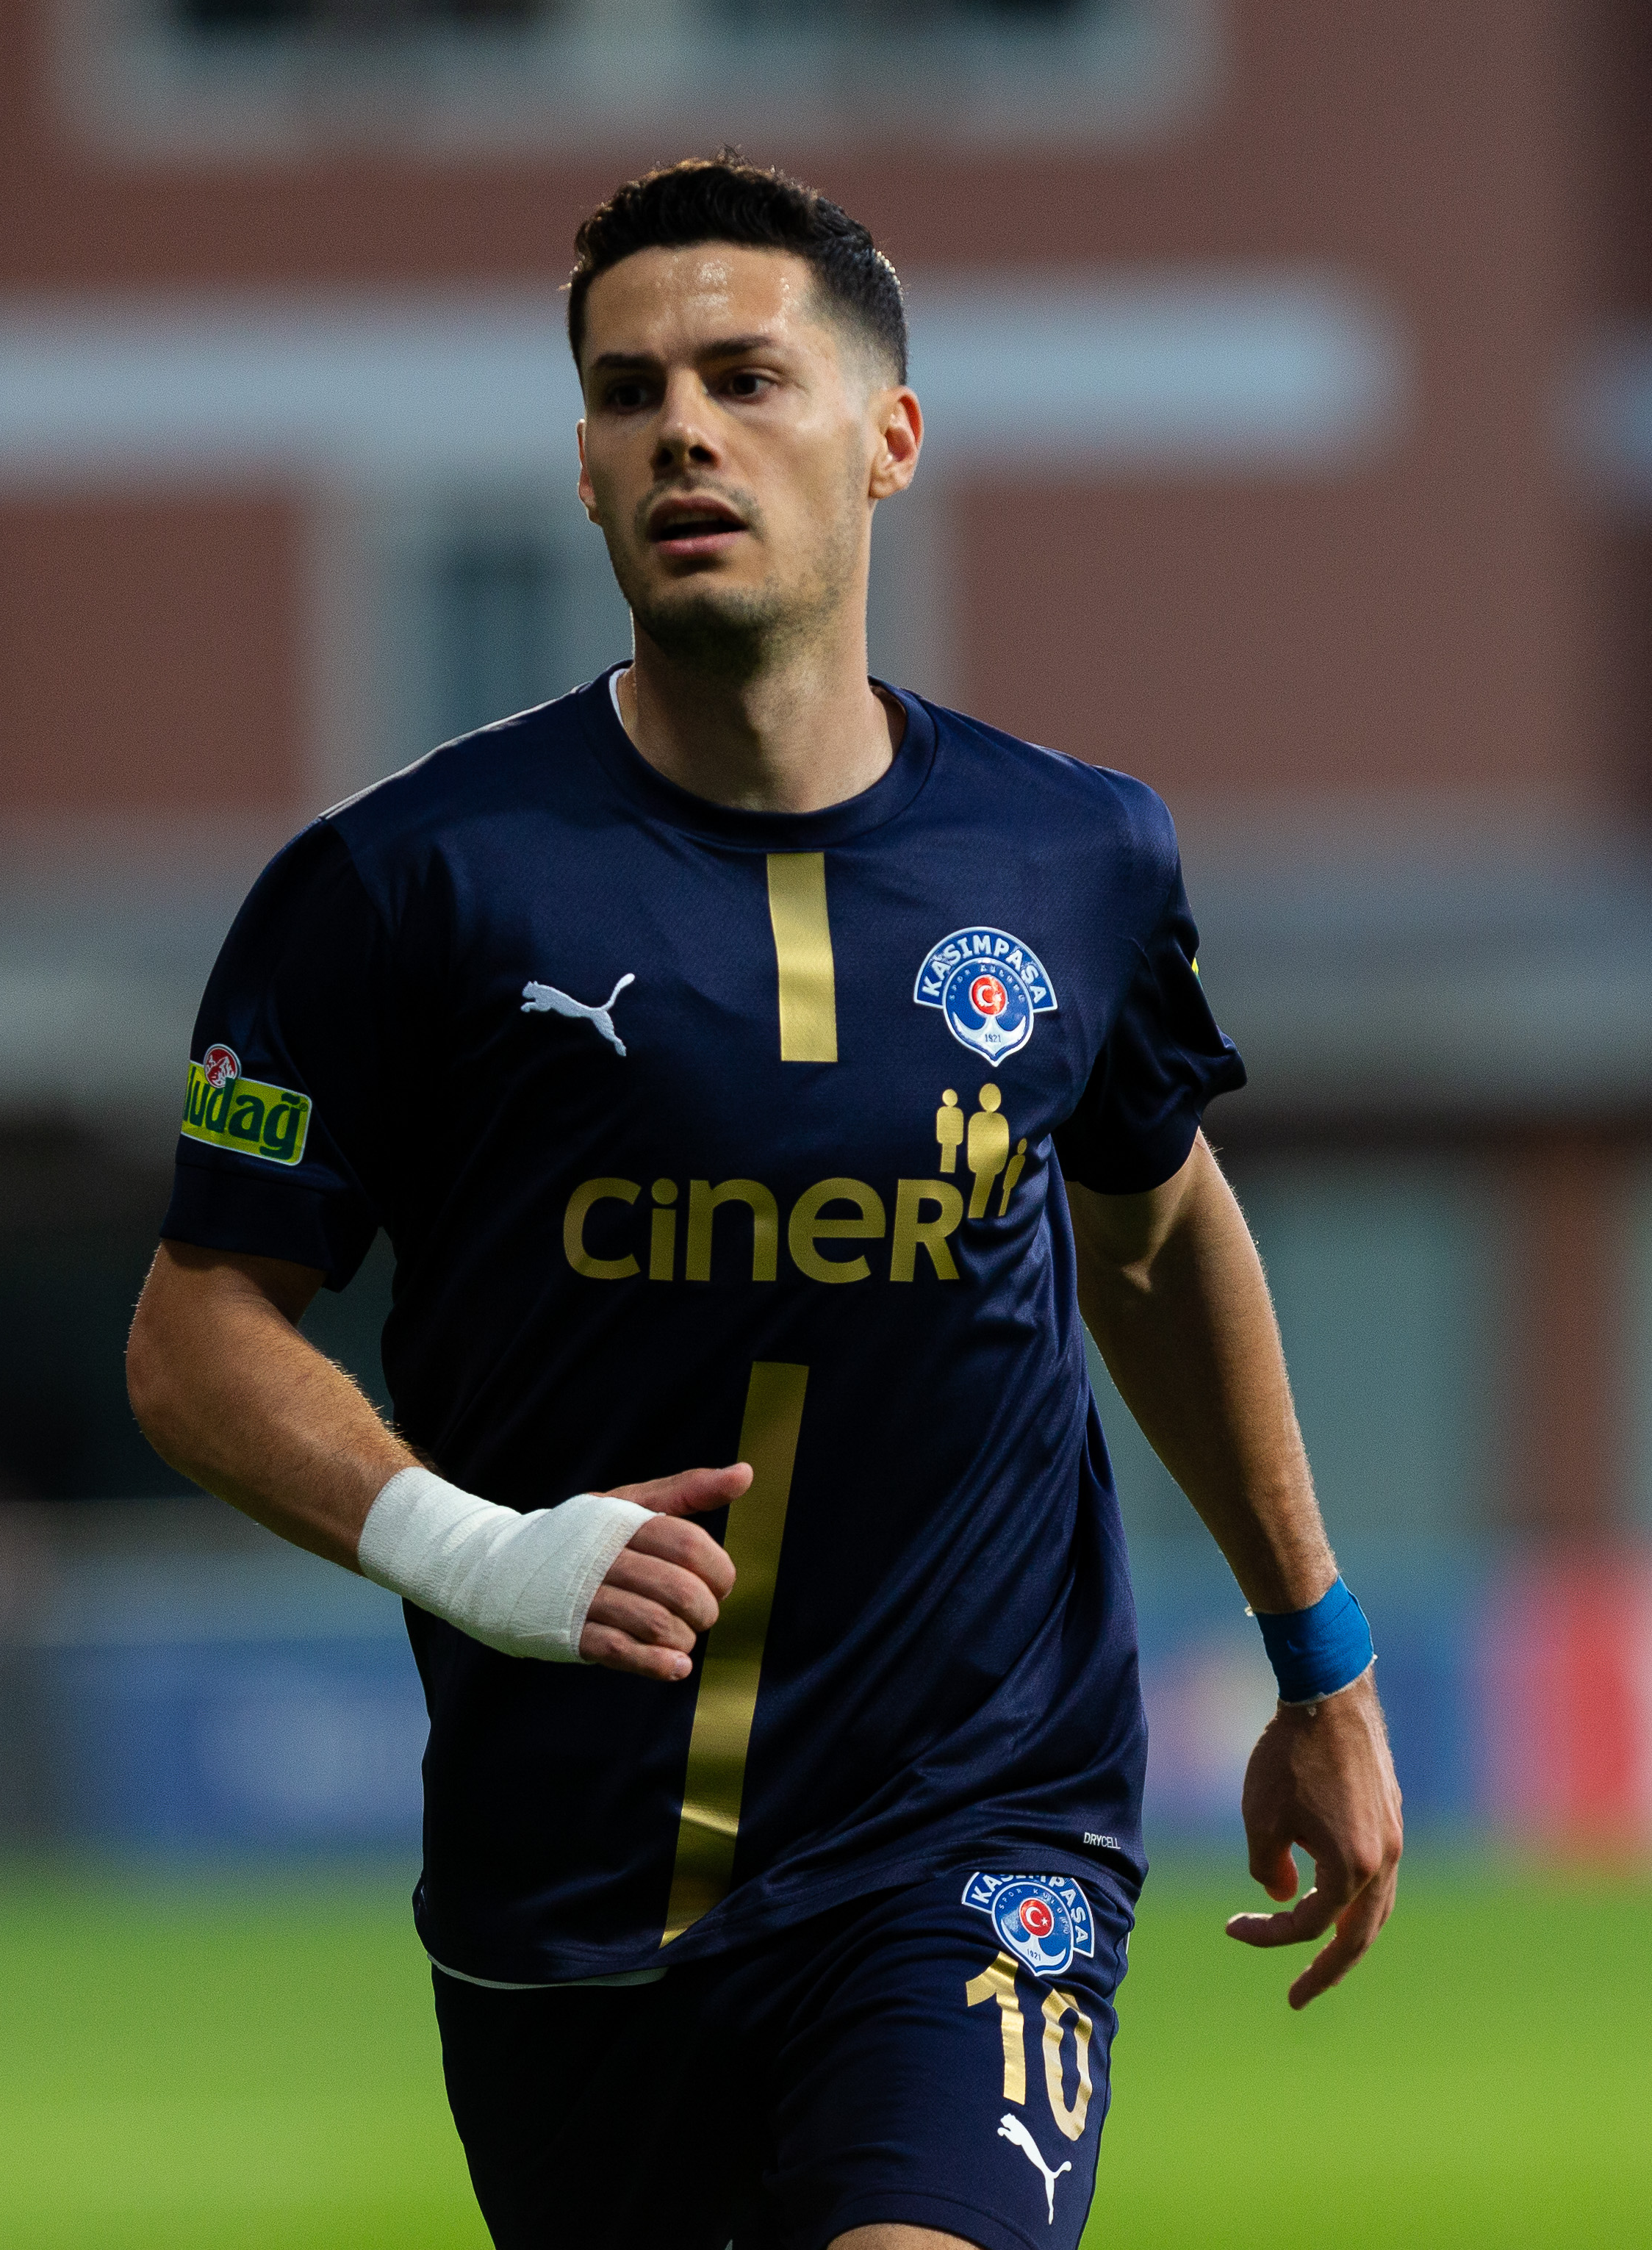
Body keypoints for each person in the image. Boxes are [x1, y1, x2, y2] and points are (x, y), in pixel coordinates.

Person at [126, 154, 1404, 2250]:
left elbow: (1158, 1230)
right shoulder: (402, 887)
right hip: (567, 1888)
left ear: (889, 437)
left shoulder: (1075, 859)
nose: (683, 434)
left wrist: (1320, 1663)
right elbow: (194, 1334)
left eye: (744, 379)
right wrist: (481, 1554)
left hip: (979, 1826)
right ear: (582, 471)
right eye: (629, 395)